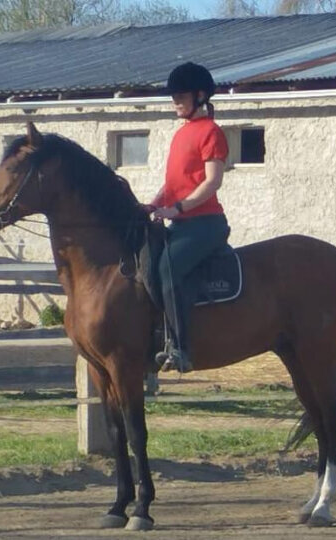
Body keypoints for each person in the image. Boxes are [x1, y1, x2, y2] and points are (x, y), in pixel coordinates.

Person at [145, 62, 230, 373]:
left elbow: (212, 182)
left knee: (167, 266)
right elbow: (174, 183)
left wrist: (178, 208)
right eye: (173, 96)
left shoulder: (211, 132)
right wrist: (154, 205)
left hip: (206, 224)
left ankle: (180, 348)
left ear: (199, 95)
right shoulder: (182, 134)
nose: (175, 102)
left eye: (180, 96)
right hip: (182, 222)